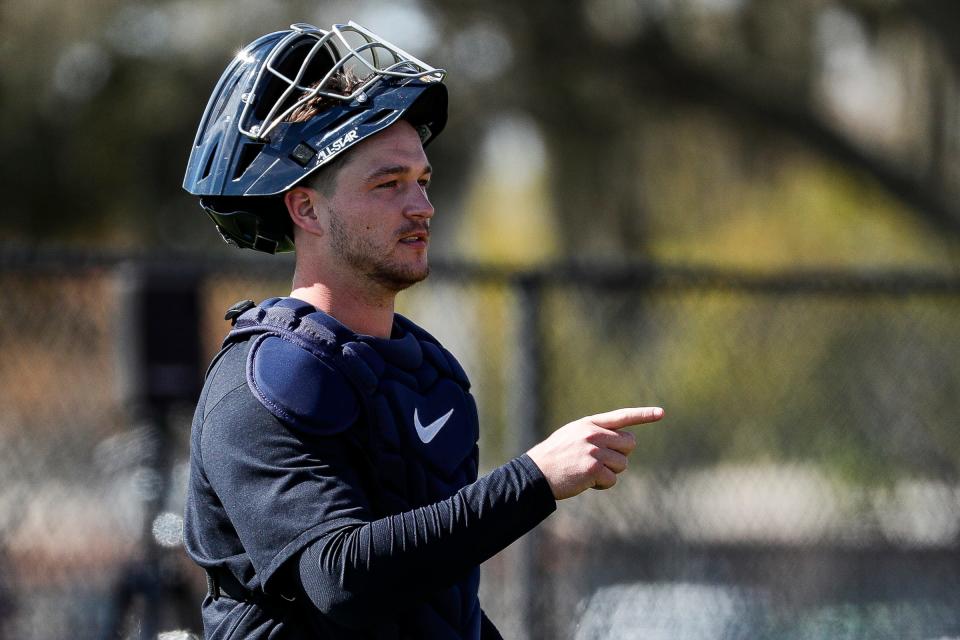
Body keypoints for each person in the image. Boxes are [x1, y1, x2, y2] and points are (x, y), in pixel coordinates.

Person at [181, 21, 664, 639]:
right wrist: (535, 480)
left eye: (423, 182)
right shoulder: (264, 381)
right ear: (306, 208)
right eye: (388, 184)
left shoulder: (427, 373)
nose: (421, 207)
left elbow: (435, 602)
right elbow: (342, 579)